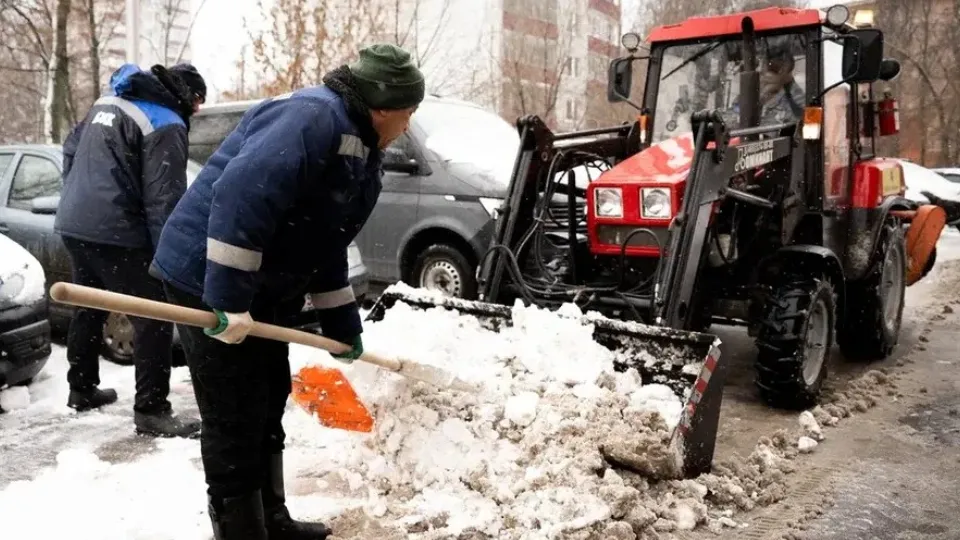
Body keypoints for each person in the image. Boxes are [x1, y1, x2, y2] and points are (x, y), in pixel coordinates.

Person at [150, 44, 425, 539]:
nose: (408, 124)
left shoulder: (362, 146)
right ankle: (242, 531)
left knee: (269, 394)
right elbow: (239, 199)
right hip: (204, 275)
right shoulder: (312, 118)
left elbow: (323, 237)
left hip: (258, 287)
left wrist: (342, 326)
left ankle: (272, 520)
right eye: (408, 112)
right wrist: (228, 302)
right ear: (383, 106)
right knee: (233, 414)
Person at [54, 62, 207, 439]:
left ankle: (82, 387)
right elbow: (164, 201)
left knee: (88, 307)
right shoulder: (165, 120)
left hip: (75, 225)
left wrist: (77, 194)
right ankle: (152, 410)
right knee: (153, 316)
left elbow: (70, 149)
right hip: (119, 232)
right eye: (200, 101)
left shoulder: (108, 103)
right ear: (186, 94)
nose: (200, 110)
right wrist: (169, 260)